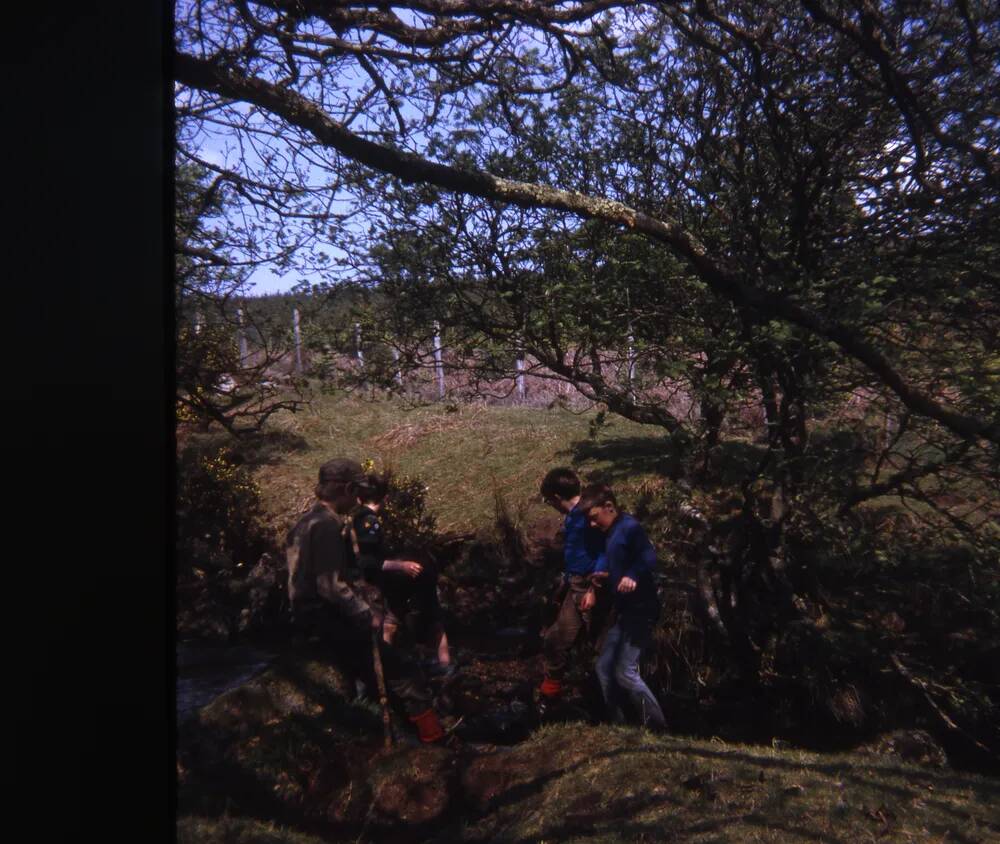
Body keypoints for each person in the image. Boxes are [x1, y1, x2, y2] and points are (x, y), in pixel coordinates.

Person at [284, 458, 449, 743]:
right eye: (355, 491)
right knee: (404, 674)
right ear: (347, 489)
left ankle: (402, 737)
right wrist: (365, 614)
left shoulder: (307, 521)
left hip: (309, 619)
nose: (358, 499)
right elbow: (330, 586)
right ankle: (434, 741)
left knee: (380, 677)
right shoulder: (326, 526)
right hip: (329, 621)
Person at [577, 482, 667, 731]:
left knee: (624, 671)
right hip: (625, 612)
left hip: (642, 610)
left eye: (595, 518)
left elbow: (648, 557)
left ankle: (658, 728)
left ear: (609, 507)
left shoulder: (629, 527)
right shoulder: (612, 533)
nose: (593, 525)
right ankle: (619, 725)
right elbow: (620, 561)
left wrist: (633, 575)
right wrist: (605, 578)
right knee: (603, 667)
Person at [348, 471, 453, 674]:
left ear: (359, 497)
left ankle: (437, 667)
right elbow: (367, 562)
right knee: (395, 624)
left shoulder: (359, 518)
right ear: (385, 498)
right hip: (375, 584)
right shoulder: (369, 521)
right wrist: (400, 566)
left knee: (394, 622)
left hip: (386, 585)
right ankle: (438, 667)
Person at [536, 467, 608, 711]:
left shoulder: (587, 516)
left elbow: (606, 549)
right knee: (556, 639)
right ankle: (550, 697)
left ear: (556, 498)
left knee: (600, 645)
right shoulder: (574, 517)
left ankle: (610, 706)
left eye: (549, 501)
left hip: (593, 585)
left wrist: (595, 586)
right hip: (575, 582)